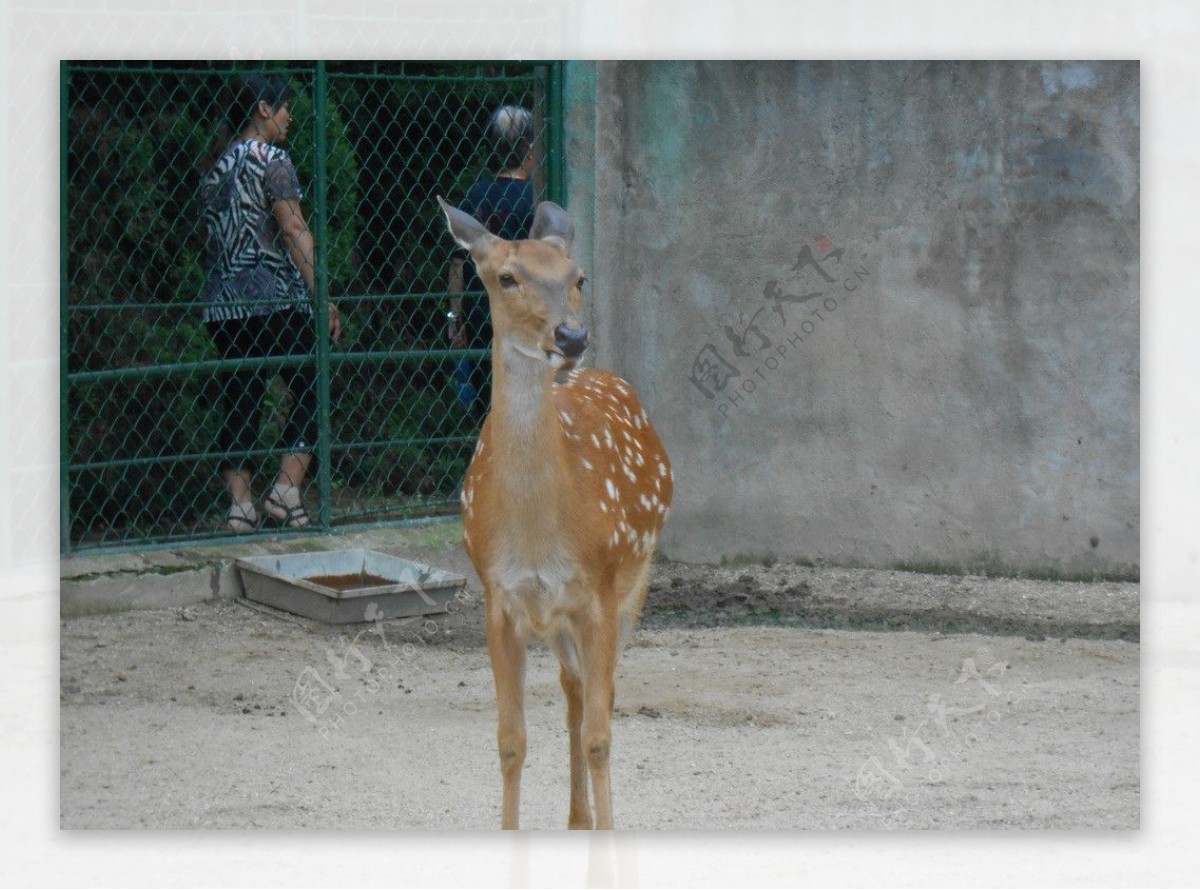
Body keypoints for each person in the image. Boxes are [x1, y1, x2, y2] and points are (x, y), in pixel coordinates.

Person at [202, 73, 341, 533]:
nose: (289, 116)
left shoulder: (215, 166)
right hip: (274, 301)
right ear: (263, 109)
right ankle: (284, 491)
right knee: (317, 377)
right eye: (283, 107)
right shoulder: (272, 159)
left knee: (241, 396)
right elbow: (293, 227)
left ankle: (240, 507)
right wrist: (322, 297)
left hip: (224, 307)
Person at [447, 105, 538, 417]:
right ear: (529, 149)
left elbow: (458, 263)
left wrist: (454, 318)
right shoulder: (536, 198)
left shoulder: (475, 196)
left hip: (482, 319)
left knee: (489, 412)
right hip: (527, 322)